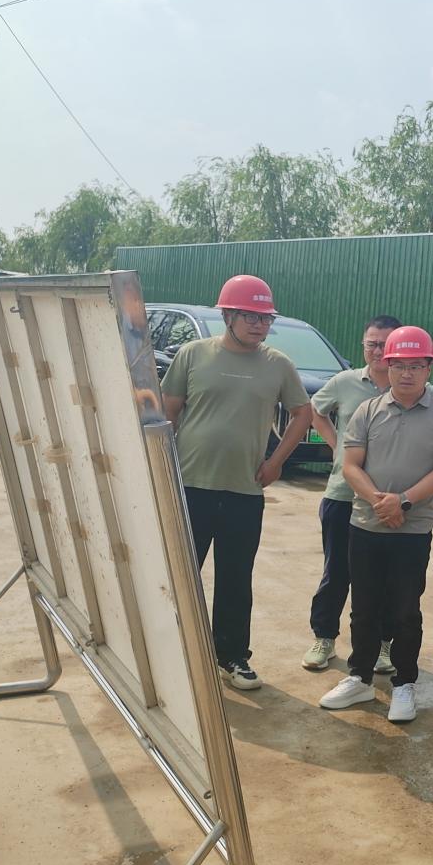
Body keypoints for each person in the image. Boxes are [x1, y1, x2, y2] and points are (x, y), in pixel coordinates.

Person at [160, 274, 311, 690]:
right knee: (180, 574)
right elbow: (168, 413)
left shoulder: (278, 365)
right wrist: (163, 467)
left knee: (235, 578)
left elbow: (303, 413)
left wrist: (277, 461)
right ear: (227, 315)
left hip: (245, 490)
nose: (260, 325)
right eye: (251, 316)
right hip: (190, 486)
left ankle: (232, 656)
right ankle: (171, 653)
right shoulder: (193, 355)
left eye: (265, 318)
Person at [302, 315, 433, 675]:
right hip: (346, 496)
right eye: (372, 344)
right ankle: (324, 637)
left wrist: (400, 499)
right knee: (337, 573)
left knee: (393, 587)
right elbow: (315, 411)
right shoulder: (346, 383)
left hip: (404, 508)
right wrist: (338, 446)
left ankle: (385, 646)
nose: (378, 351)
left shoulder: (425, 392)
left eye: (384, 344)